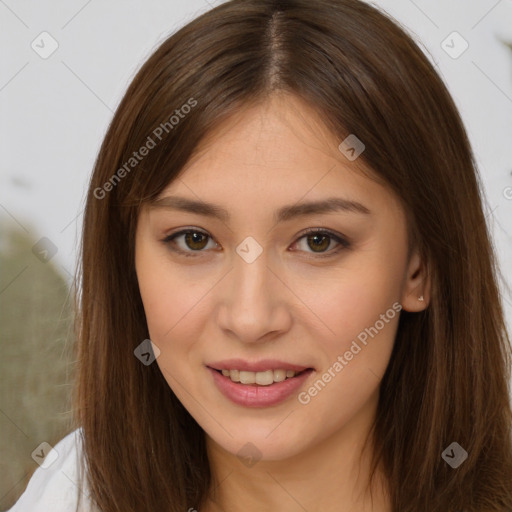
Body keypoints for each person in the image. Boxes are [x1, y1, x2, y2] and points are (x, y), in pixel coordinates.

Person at [8, 0, 512, 511]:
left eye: (318, 241)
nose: (250, 319)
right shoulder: (64, 496)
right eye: (194, 239)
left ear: (418, 267)